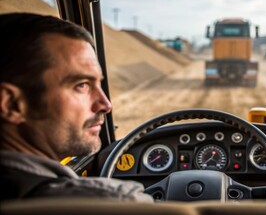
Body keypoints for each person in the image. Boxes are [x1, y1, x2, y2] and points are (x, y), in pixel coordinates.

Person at [0, 13, 153, 202]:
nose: (106, 105)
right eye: (82, 85)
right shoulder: (116, 203)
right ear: (11, 104)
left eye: (98, 84)